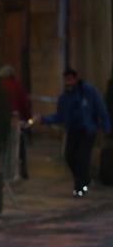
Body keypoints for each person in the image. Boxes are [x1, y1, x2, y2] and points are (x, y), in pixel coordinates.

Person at [36, 68, 111, 196]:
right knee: (69, 157)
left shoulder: (88, 92)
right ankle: (84, 180)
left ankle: (79, 188)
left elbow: (100, 108)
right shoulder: (64, 97)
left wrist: (106, 127)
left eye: (70, 79)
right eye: (66, 80)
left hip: (87, 131)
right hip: (73, 131)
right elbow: (60, 116)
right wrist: (44, 119)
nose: (68, 83)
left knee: (82, 158)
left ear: (75, 79)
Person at [0, 65, 32, 179]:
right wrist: (28, 118)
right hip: (17, 120)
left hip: (2, 120)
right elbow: (24, 103)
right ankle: (21, 169)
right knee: (19, 145)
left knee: (3, 146)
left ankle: (3, 170)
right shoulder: (17, 86)